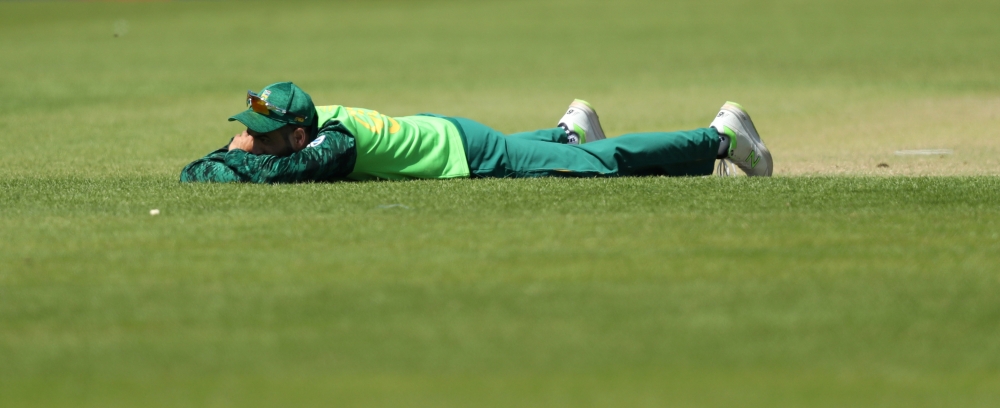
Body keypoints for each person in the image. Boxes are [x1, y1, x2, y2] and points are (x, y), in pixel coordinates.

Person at [180, 81, 772, 184]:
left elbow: (274, 174)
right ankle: (566, 132)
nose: (247, 139)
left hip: (465, 150)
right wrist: (235, 150)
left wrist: (232, 158)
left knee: (599, 166)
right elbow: (201, 173)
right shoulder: (312, 127)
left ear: (298, 135)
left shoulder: (330, 145)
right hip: (448, 136)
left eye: (260, 134)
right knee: (560, 153)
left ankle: (718, 137)